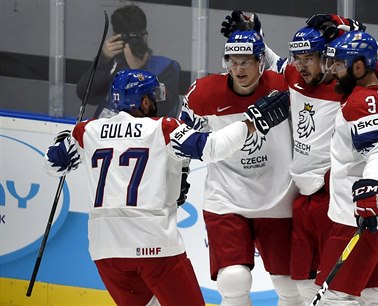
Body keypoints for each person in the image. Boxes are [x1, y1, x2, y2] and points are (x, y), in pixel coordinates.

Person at [220, 11, 378, 303]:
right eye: (298, 57)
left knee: (338, 294)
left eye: (310, 58)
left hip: (337, 199)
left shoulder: (347, 89)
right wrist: (254, 33)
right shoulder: (303, 76)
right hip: (306, 196)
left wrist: (349, 28)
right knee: (359, 292)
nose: (301, 65)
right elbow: (274, 62)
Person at [44, 69, 290, 306]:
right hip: (154, 244)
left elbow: (53, 164)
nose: (154, 102)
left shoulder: (86, 130)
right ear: (143, 102)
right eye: (152, 97)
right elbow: (211, 148)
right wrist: (251, 123)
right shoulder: (162, 128)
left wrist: (61, 141)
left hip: (105, 248)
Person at [181, 30, 304, 306]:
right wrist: (179, 175)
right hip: (226, 197)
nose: (238, 69)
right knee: (233, 280)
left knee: (291, 288)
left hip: (279, 195)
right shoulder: (204, 93)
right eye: (232, 61)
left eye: (246, 61)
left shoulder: (284, 85)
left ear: (261, 62)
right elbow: (182, 138)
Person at [314, 30, 378, 305]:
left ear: (358, 66)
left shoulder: (361, 103)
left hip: (359, 214)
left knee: (335, 298)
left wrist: (370, 187)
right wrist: (348, 29)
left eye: (338, 65)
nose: (332, 71)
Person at [76, 4, 181, 119]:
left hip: (143, 134)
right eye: (126, 39)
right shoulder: (112, 65)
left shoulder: (166, 67)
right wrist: (103, 60)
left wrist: (139, 73)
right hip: (106, 132)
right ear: (115, 38)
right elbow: (86, 95)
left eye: (135, 39)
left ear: (145, 37)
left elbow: (161, 110)